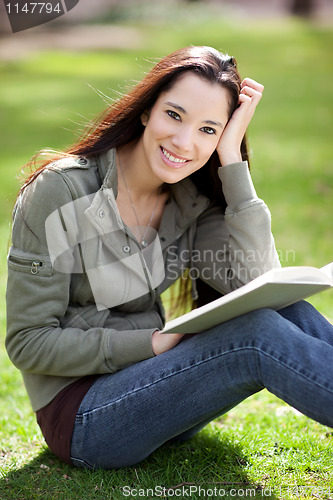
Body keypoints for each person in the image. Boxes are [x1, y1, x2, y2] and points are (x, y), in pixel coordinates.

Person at [5, 46, 333, 470]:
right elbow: (28, 342)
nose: (184, 143)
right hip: (85, 416)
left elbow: (261, 286)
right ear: (146, 111)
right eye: (174, 116)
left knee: (291, 311)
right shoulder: (62, 190)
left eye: (208, 130)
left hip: (162, 388)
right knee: (258, 333)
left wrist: (231, 158)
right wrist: (150, 343)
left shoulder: (192, 201)